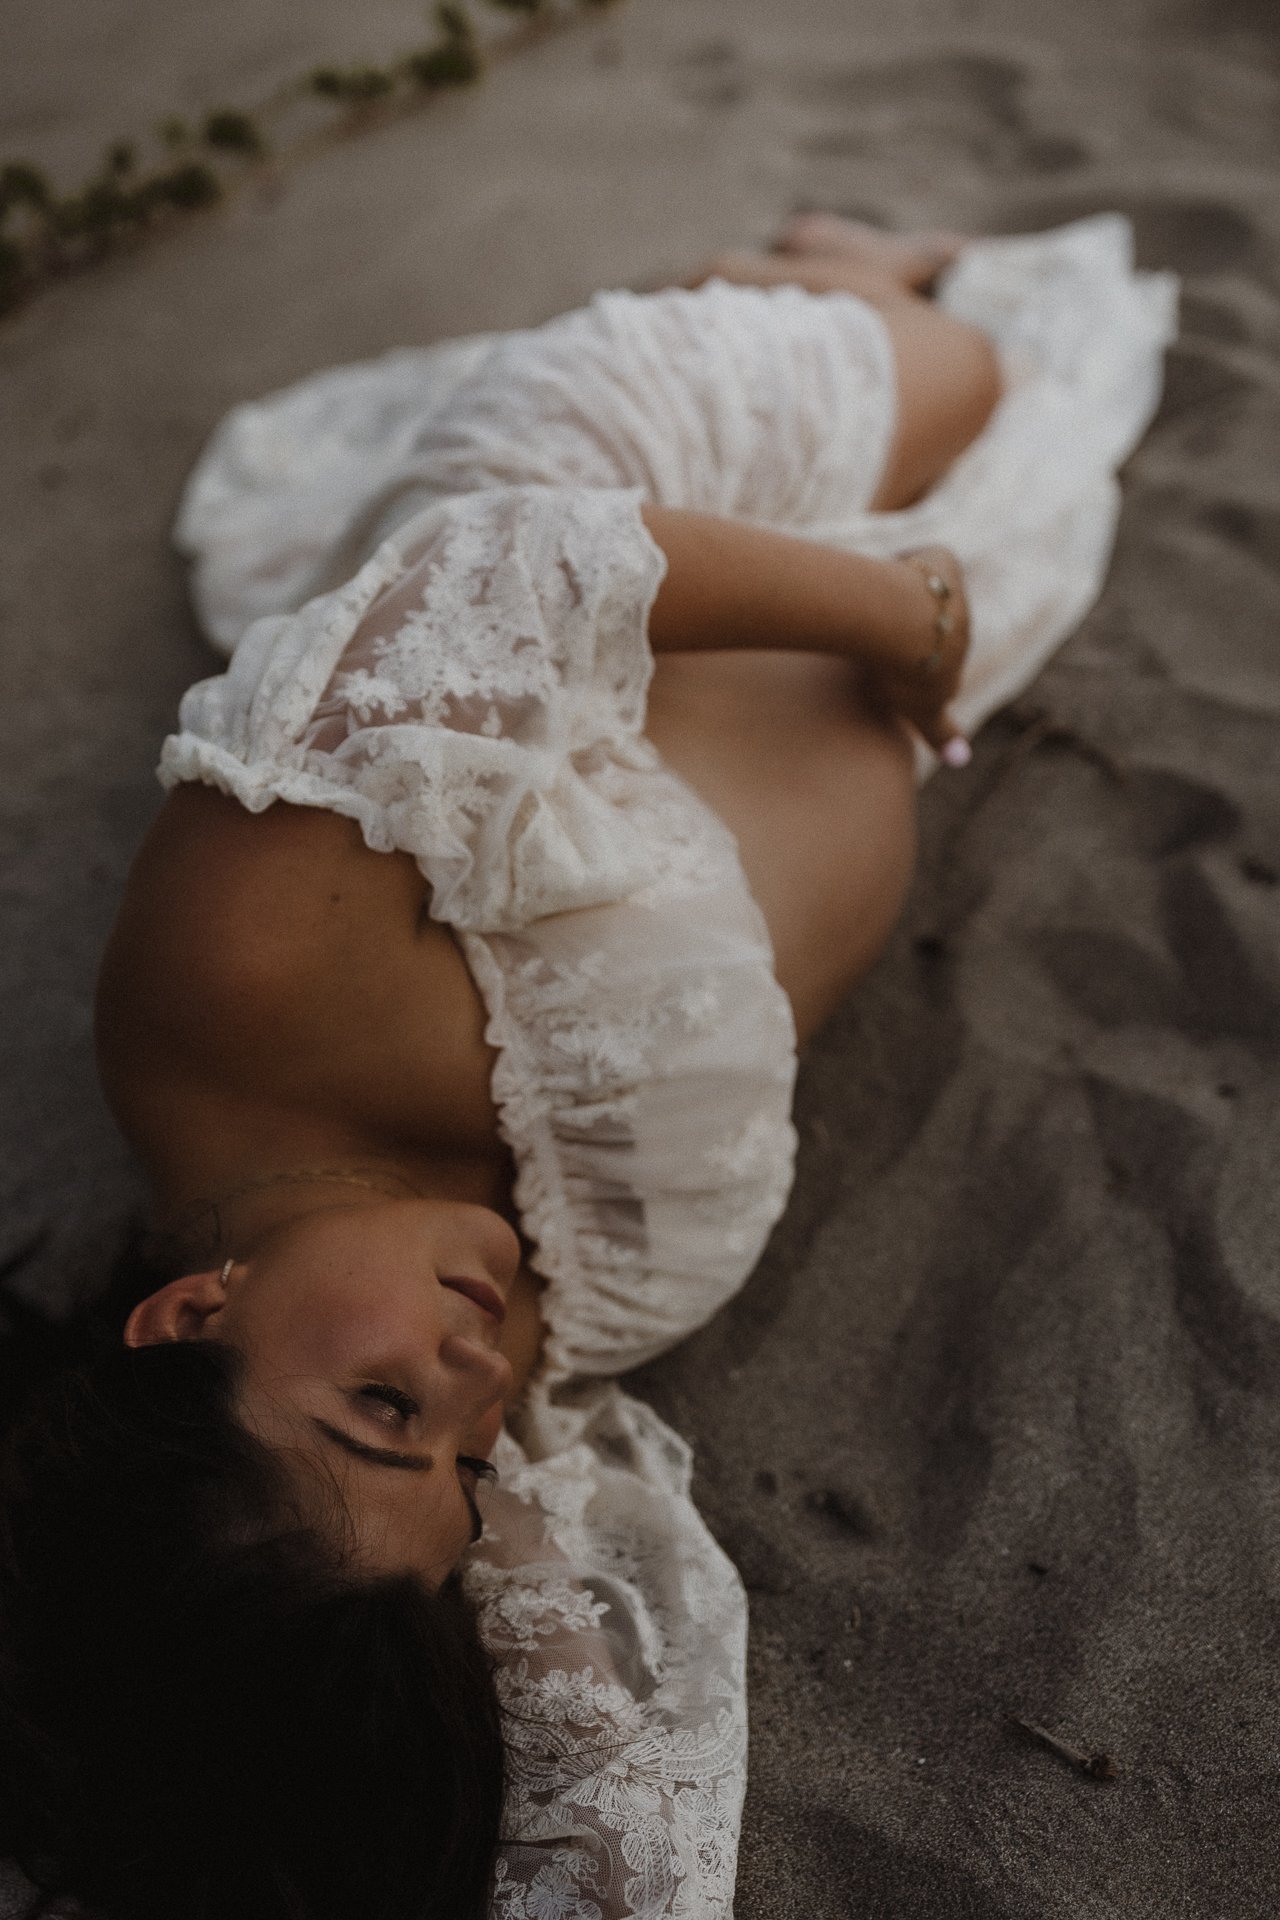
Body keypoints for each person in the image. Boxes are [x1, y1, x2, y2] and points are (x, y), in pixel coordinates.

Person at [0, 213, 1175, 1920]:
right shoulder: (411, 1409)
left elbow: (517, 560)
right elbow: (579, 1768)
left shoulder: (237, 975)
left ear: (189, 1317)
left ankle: (802, 276)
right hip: (842, 669)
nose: (483, 1390)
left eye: (390, 1408)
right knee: (1025, 442)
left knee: (977, 361)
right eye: (465, 1472)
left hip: (639, 489)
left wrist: (903, 617)